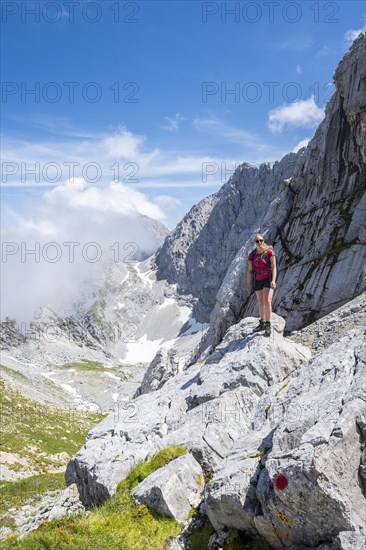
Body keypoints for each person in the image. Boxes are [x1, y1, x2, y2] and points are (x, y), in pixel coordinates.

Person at [246, 234, 276, 336]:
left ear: (264, 241)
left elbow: (274, 267)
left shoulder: (269, 252)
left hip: (268, 278)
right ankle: (262, 322)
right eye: (257, 241)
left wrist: (274, 280)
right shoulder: (252, 255)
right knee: (260, 301)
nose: (259, 243)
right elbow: (250, 270)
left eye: (261, 240)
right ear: (254, 243)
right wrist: (248, 283)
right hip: (257, 279)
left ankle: (268, 324)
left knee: (267, 300)